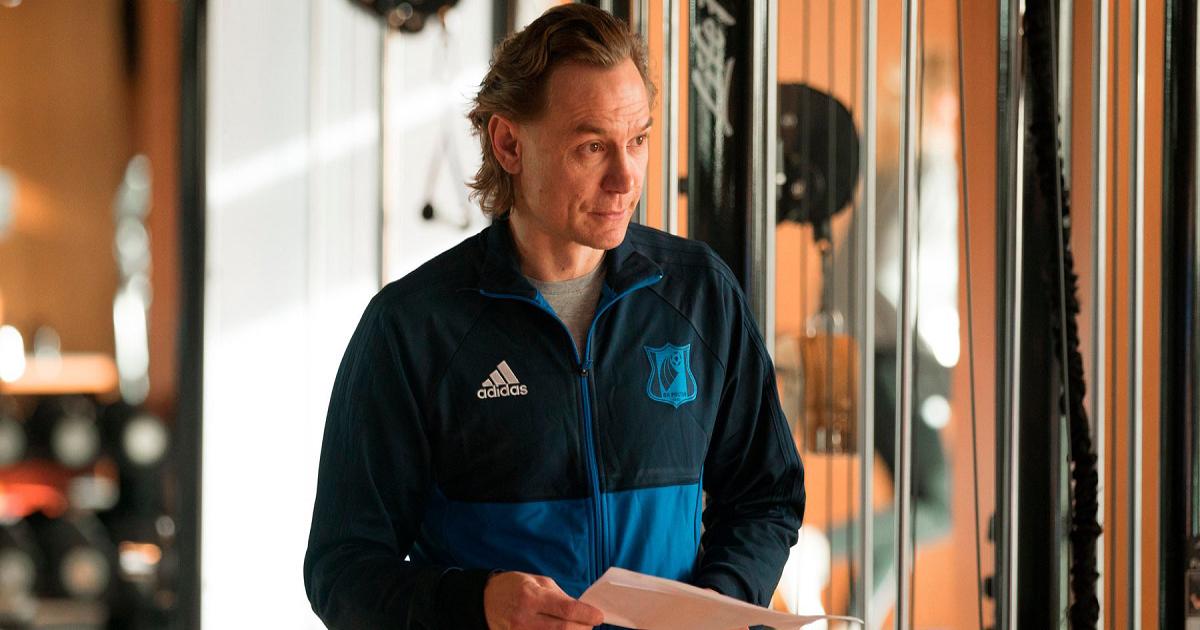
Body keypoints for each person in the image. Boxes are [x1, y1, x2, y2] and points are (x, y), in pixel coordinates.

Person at [303, 5, 805, 629]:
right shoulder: (413, 328)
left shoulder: (701, 293)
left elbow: (766, 497)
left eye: (638, 140)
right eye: (592, 146)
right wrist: (479, 604)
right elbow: (342, 571)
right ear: (509, 144)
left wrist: (712, 608)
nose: (625, 178)